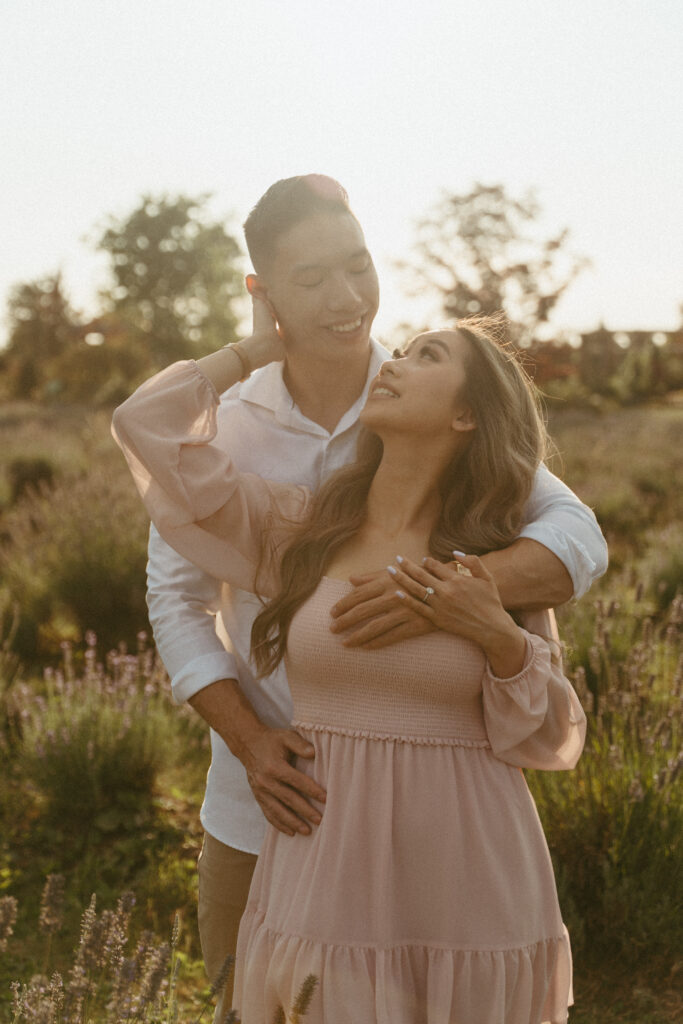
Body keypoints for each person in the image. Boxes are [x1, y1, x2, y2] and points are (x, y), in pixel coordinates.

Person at [144, 175, 606, 1016]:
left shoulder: (432, 392)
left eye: (357, 266)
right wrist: (249, 741)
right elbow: (174, 598)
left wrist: (448, 588)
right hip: (278, 809)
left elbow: (577, 537)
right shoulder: (232, 425)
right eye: (312, 278)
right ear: (264, 291)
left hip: (443, 835)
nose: (346, 297)